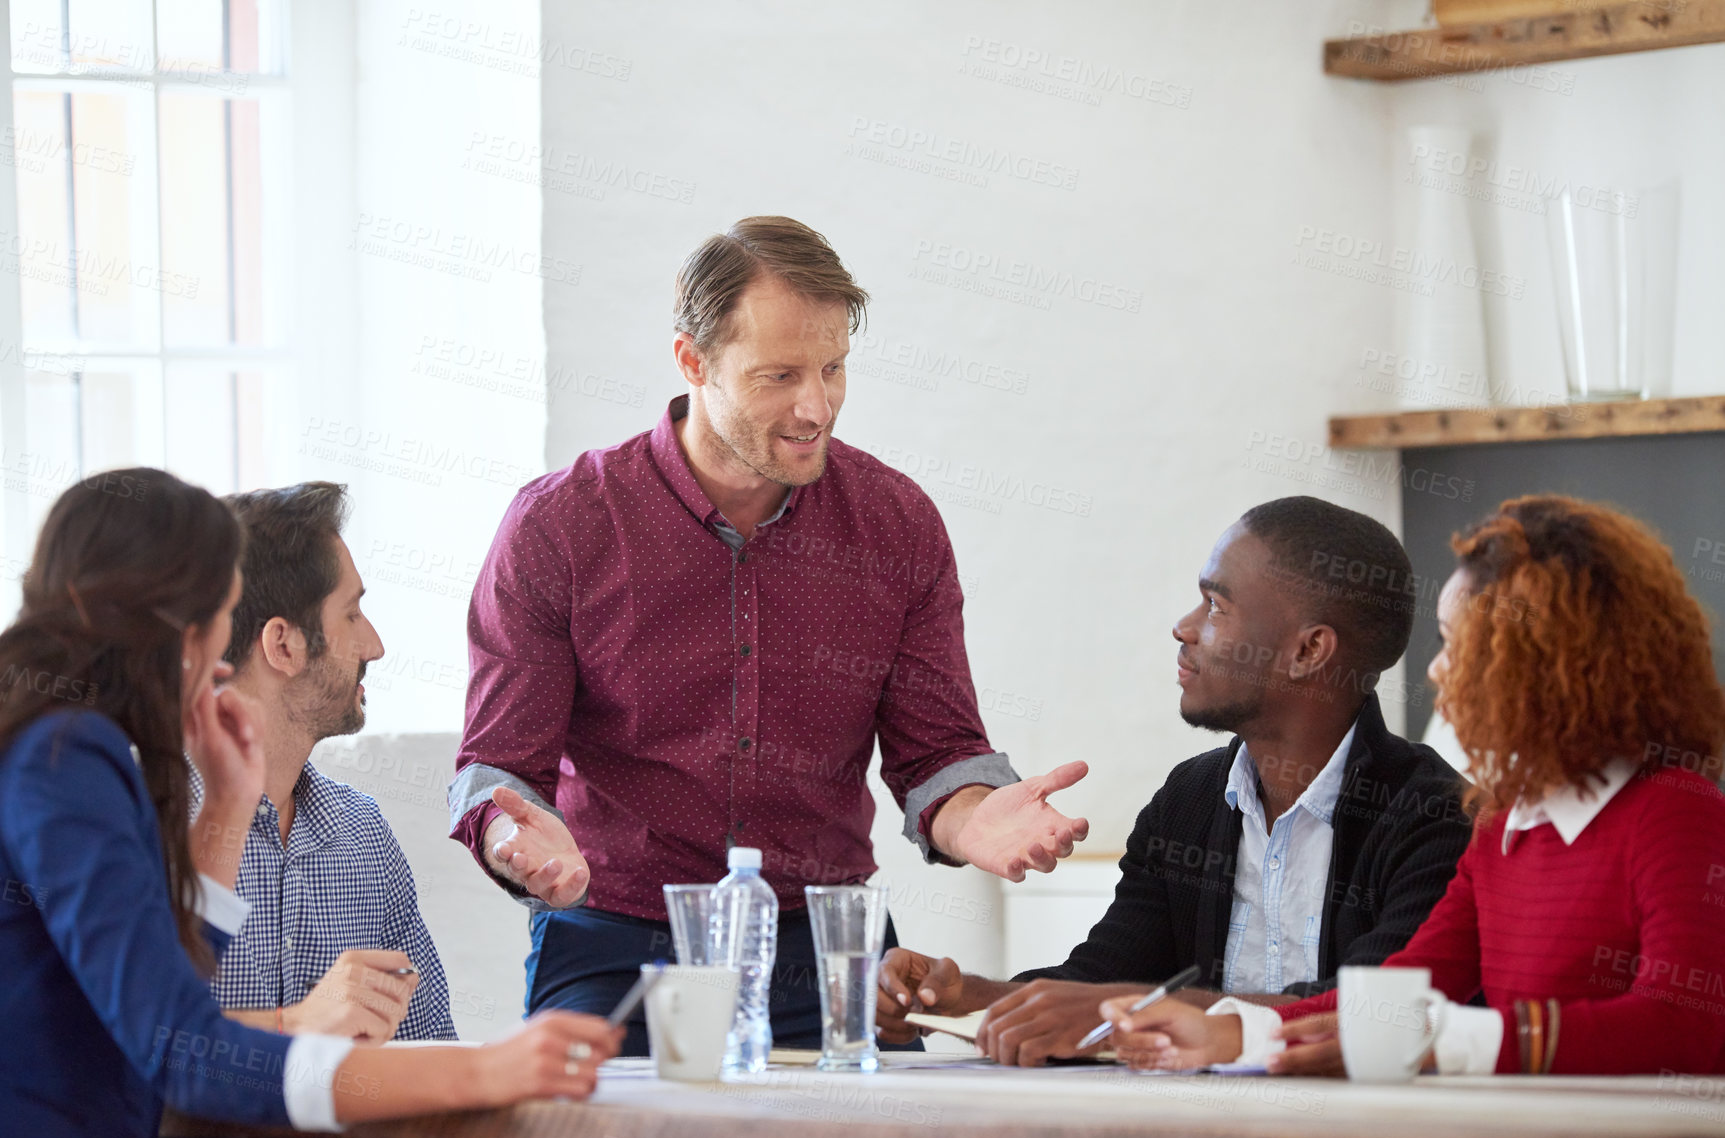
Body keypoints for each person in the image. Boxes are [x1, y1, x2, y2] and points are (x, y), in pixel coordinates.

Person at [448, 216, 1090, 1053]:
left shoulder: (896, 523)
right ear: (692, 361)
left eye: (833, 368)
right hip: (618, 939)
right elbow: (496, 769)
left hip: (825, 946)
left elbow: (937, 754)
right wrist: (512, 836)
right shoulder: (561, 524)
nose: (814, 406)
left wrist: (974, 821)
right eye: (779, 375)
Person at [0, 469, 618, 1138]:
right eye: (219, 612)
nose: (221, 653)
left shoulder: (65, 745)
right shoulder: (66, 757)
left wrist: (229, 806)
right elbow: (180, 1046)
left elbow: (161, 982)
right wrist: (481, 1067)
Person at [1104, 494, 1725, 1076]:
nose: (1436, 670)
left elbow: (1688, 1024)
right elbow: (1406, 989)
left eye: (1461, 646)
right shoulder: (1502, 824)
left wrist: (1442, 1041)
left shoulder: (1675, 812)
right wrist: (1236, 1033)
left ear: (1549, 665)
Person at [878, 497, 1473, 1066]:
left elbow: (1367, 1014)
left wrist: (1137, 1010)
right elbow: (1098, 981)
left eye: (1216, 606)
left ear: (1308, 650)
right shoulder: (1189, 800)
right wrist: (960, 998)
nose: (1184, 628)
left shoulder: (1436, 816)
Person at [203, 481, 455, 1040]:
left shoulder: (363, 835)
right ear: (284, 646)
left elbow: (426, 1044)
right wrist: (296, 1026)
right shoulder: (142, 821)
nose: (375, 645)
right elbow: (118, 1055)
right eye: (352, 614)